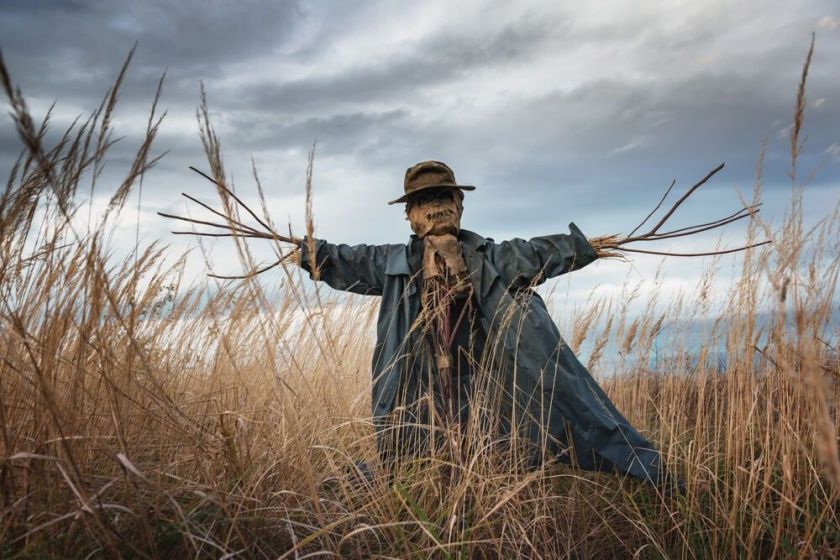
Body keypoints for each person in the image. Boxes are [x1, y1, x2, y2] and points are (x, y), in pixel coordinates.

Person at [299, 160, 669, 488]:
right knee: (415, 454)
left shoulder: (492, 257)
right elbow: (348, 260)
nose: (437, 207)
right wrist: (312, 253)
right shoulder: (393, 263)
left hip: (483, 378)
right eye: (426, 201)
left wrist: (586, 246)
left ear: (460, 205)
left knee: (494, 447)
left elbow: (539, 252)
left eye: (445, 197)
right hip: (423, 380)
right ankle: (429, 485)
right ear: (410, 214)